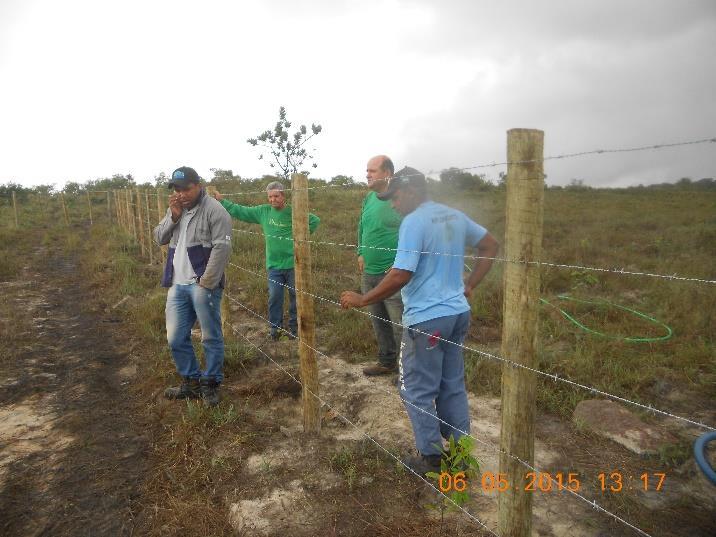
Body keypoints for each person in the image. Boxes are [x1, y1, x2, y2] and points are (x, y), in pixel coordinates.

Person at [340, 166, 499, 475]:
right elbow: (490, 244)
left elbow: (401, 273)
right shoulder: (452, 214)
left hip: (427, 321)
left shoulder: (413, 221)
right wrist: (470, 285)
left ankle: (432, 459)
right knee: (452, 386)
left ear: (411, 192)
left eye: (395, 197)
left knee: (415, 389)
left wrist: (363, 299)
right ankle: (462, 455)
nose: (393, 205)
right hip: (457, 315)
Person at [154, 166, 233, 407]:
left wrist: (206, 284)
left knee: (210, 336)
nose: (181, 194)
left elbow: (222, 248)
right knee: (175, 338)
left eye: (186, 188)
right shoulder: (176, 210)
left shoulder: (215, 211)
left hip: (202, 285)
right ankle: (191, 382)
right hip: (178, 286)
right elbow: (159, 238)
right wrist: (173, 216)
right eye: (177, 189)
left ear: (198, 185)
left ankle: (211, 383)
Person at [211, 182, 320, 340]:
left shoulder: (294, 211)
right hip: (274, 265)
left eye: (276, 196)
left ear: (283, 195)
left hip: (294, 264)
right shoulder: (263, 211)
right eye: (270, 196)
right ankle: (276, 331)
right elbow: (241, 211)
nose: (273, 200)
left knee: (296, 297)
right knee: (275, 296)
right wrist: (223, 202)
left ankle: (295, 330)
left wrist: (301, 237)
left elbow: (315, 220)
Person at [357, 155, 404, 376]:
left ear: (387, 173)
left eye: (372, 171)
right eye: (367, 170)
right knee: (378, 320)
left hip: (393, 274)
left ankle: (407, 371)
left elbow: (410, 231)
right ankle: (387, 362)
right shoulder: (368, 199)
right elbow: (361, 227)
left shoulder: (400, 199)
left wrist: (399, 262)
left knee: (400, 323)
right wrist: (359, 252)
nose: (367, 174)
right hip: (369, 271)